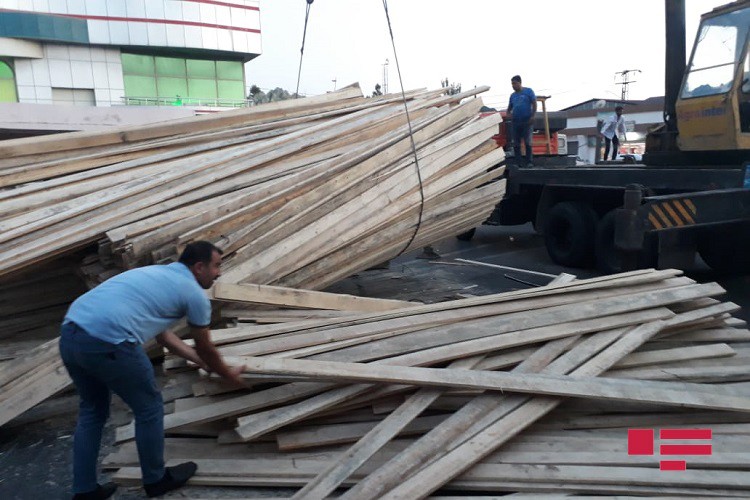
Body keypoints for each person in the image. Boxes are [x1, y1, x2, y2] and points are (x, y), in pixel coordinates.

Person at [59, 241, 245, 500]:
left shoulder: (160, 276)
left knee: (92, 411)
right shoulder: (193, 294)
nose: (219, 273)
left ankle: (85, 491)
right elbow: (206, 347)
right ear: (199, 267)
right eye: (216, 266)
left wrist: (201, 362)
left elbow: (165, 338)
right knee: (149, 408)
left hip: (70, 335)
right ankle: (156, 480)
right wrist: (227, 373)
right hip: (109, 342)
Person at [507, 75, 537, 167]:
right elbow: (510, 107)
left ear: (520, 83)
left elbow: (534, 103)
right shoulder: (513, 95)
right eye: (512, 84)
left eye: (515, 83)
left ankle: (529, 162)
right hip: (516, 121)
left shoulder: (528, 91)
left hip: (526, 120)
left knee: (527, 141)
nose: (513, 86)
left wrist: (533, 116)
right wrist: (508, 113)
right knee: (516, 143)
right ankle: (518, 163)